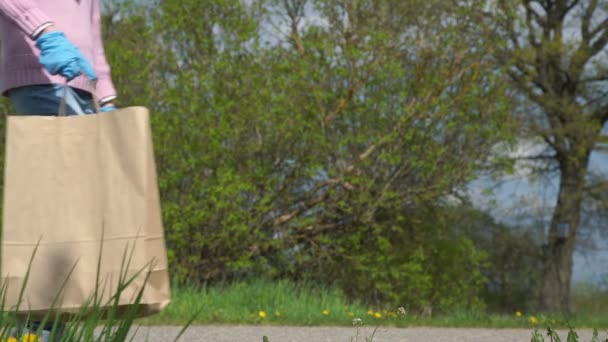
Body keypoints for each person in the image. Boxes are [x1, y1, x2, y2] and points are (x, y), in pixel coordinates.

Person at [0, 0, 118, 340]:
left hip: (82, 84)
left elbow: (92, 30)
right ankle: (40, 326)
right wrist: (44, 31)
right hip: (38, 74)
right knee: (52, 207)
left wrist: (106, 96)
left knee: (72, 209)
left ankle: (49, 324)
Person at [0, 0, 117, 116]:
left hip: (85, 87)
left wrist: (104, 96)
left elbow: (94, 33)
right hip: (39, 76)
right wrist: (46, 34)